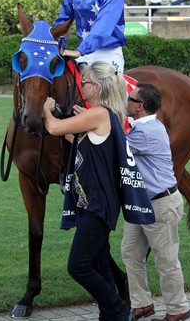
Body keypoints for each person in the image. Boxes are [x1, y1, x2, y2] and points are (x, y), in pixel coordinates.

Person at [43, 61, 138, 321]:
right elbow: (81, 142)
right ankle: (110, 315)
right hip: (93, 202)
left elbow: (52, 128)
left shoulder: (100, 114)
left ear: (95, 87)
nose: (80, 86)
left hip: (98, 203)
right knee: (99, 263)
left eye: (84, 82)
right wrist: (73, 124)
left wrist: (47, 110)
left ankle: (118, 310)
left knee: (78, 266)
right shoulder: (101, 116)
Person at [121, 83, 190, 321]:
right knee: (130, 252)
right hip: (143, 203)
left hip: (160, 205)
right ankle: (141, 304)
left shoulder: (146, 132)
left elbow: (113, 151)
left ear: (139, 106)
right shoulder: (147, 125)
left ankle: (178, 309)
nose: (126, 100)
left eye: (130, 98)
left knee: (166, 261)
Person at [54, 0, 126, 73]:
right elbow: (63, 20)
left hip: (108, 54)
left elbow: (103, 26)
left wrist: (80, 51)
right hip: (83, 52)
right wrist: (56, 44)